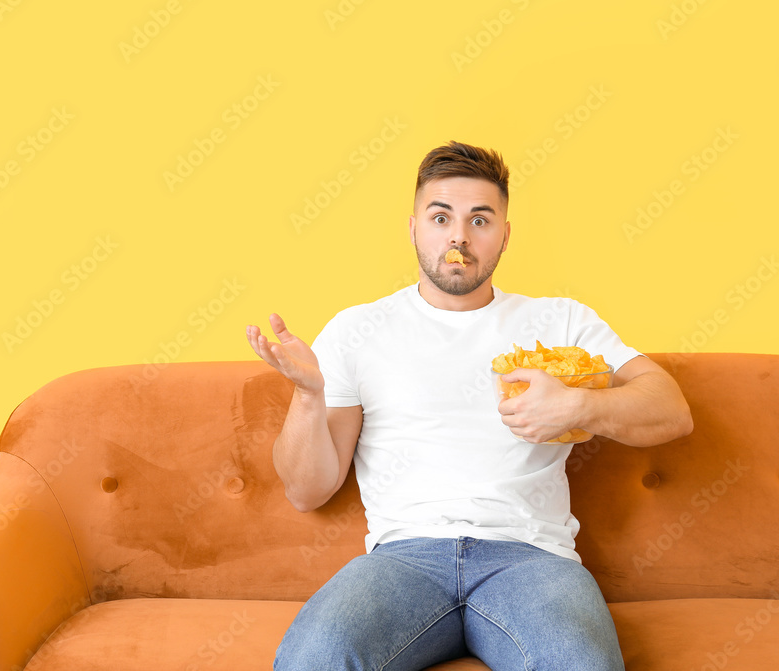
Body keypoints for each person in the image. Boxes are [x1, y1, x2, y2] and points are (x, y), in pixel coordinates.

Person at [245, 140, 693, 670]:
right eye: (441, 217)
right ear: (413, 227)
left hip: (531, 559)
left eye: (480, 220)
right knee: (313, 657)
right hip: (403, 560)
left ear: (504, 235)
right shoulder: (356, 329)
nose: (458, 235)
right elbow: (306, 490)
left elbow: (671, 410)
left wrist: (577, 407)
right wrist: (307, 394)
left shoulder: (560, 320)